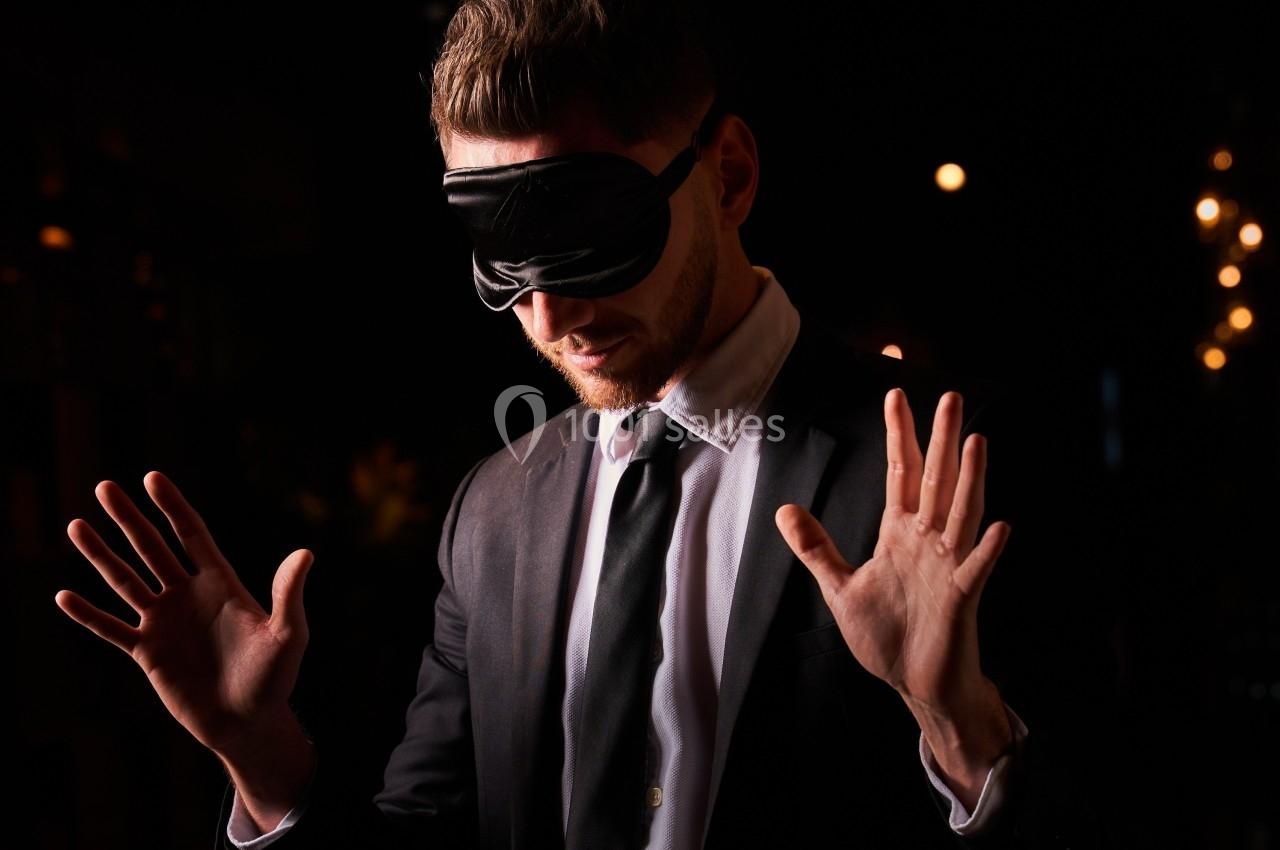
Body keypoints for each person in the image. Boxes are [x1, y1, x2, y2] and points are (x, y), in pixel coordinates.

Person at [54, 1, 1101, 848]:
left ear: (727, 177)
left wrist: (964, 732)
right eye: (504, 257)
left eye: (592, 236)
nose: (547, 318)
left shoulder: (942, 468)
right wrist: (262, 755)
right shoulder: (495, 509)